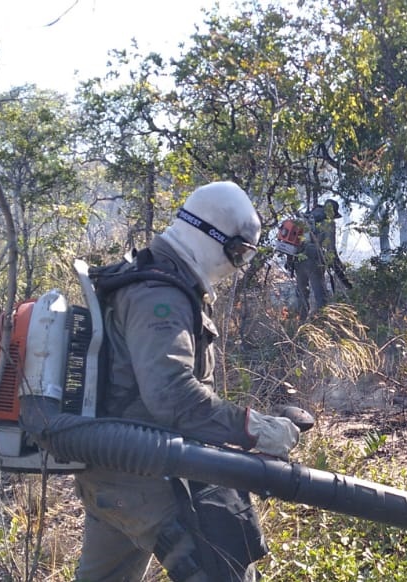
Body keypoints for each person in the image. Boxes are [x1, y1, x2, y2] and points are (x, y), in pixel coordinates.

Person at [71, 181, 301, 582]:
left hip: (115, 469)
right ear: (209, 234)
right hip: (141, 475)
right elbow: (171, 395)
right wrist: (253, 429)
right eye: (238, 251)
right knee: (221, 570)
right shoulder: (159, 295)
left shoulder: (157, 278)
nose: (238, 264)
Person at [292, 199, 351, 321]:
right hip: (314, 260)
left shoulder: (307, 217)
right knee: (321, 298)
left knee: (302, 295)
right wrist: (343, 276)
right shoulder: (328, 223)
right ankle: (322, 326)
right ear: (332, 213)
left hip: (298, 258)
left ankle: (300, 326)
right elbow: (331, 251)